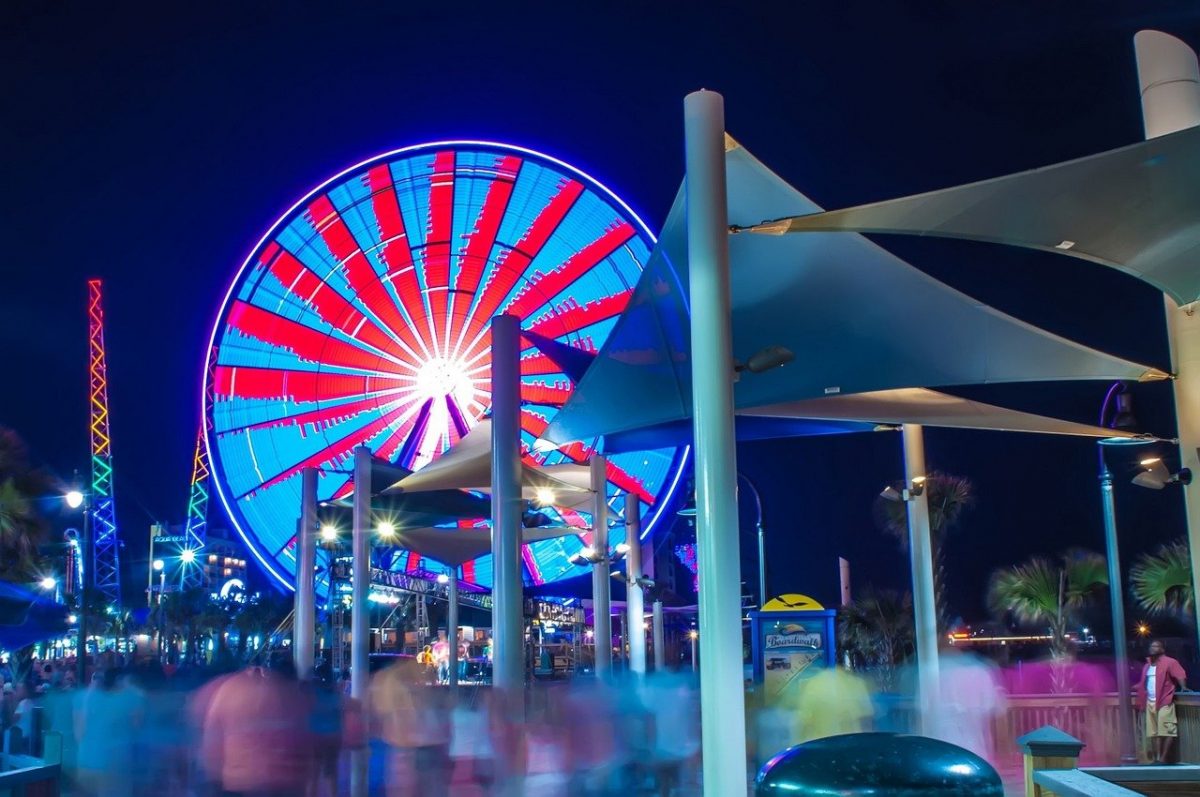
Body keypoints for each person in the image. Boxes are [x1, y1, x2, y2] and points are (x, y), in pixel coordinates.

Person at [1135, 639, 1187, 764]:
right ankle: (1156, 758)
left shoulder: (1170, 662)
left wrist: (1183, 687)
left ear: (1162, 649)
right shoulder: (1147, 665)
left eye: (1156, 646)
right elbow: (1145, 683)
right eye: (1151, 646)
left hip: (1165, 700)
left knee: (1168, 730)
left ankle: (1164, 758)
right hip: (1150, 701)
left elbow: (1180, 674)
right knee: (1153, 732)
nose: (1153, 648)